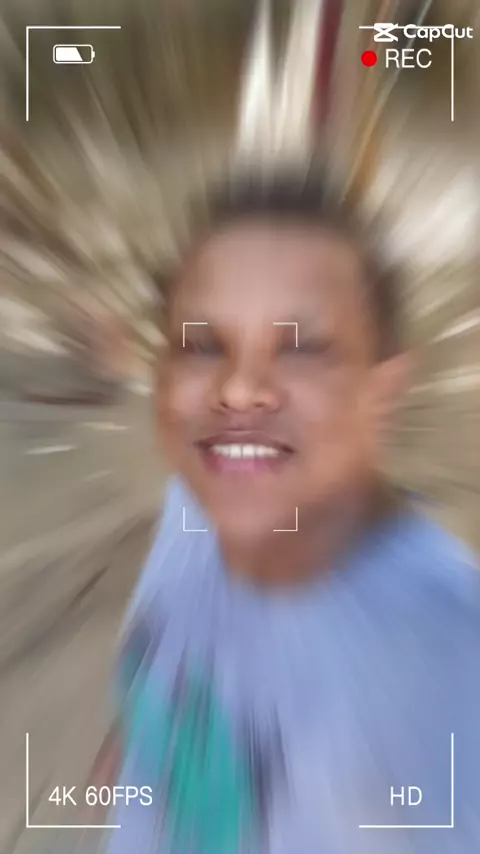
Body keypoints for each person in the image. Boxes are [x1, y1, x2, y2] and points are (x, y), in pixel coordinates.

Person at [103, 169, 480, 853]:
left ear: (383, 391)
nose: (239, 389)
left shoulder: (451, 655)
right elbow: (160, 683)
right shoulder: (196, 513)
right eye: (202, 345)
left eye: (302, 349)